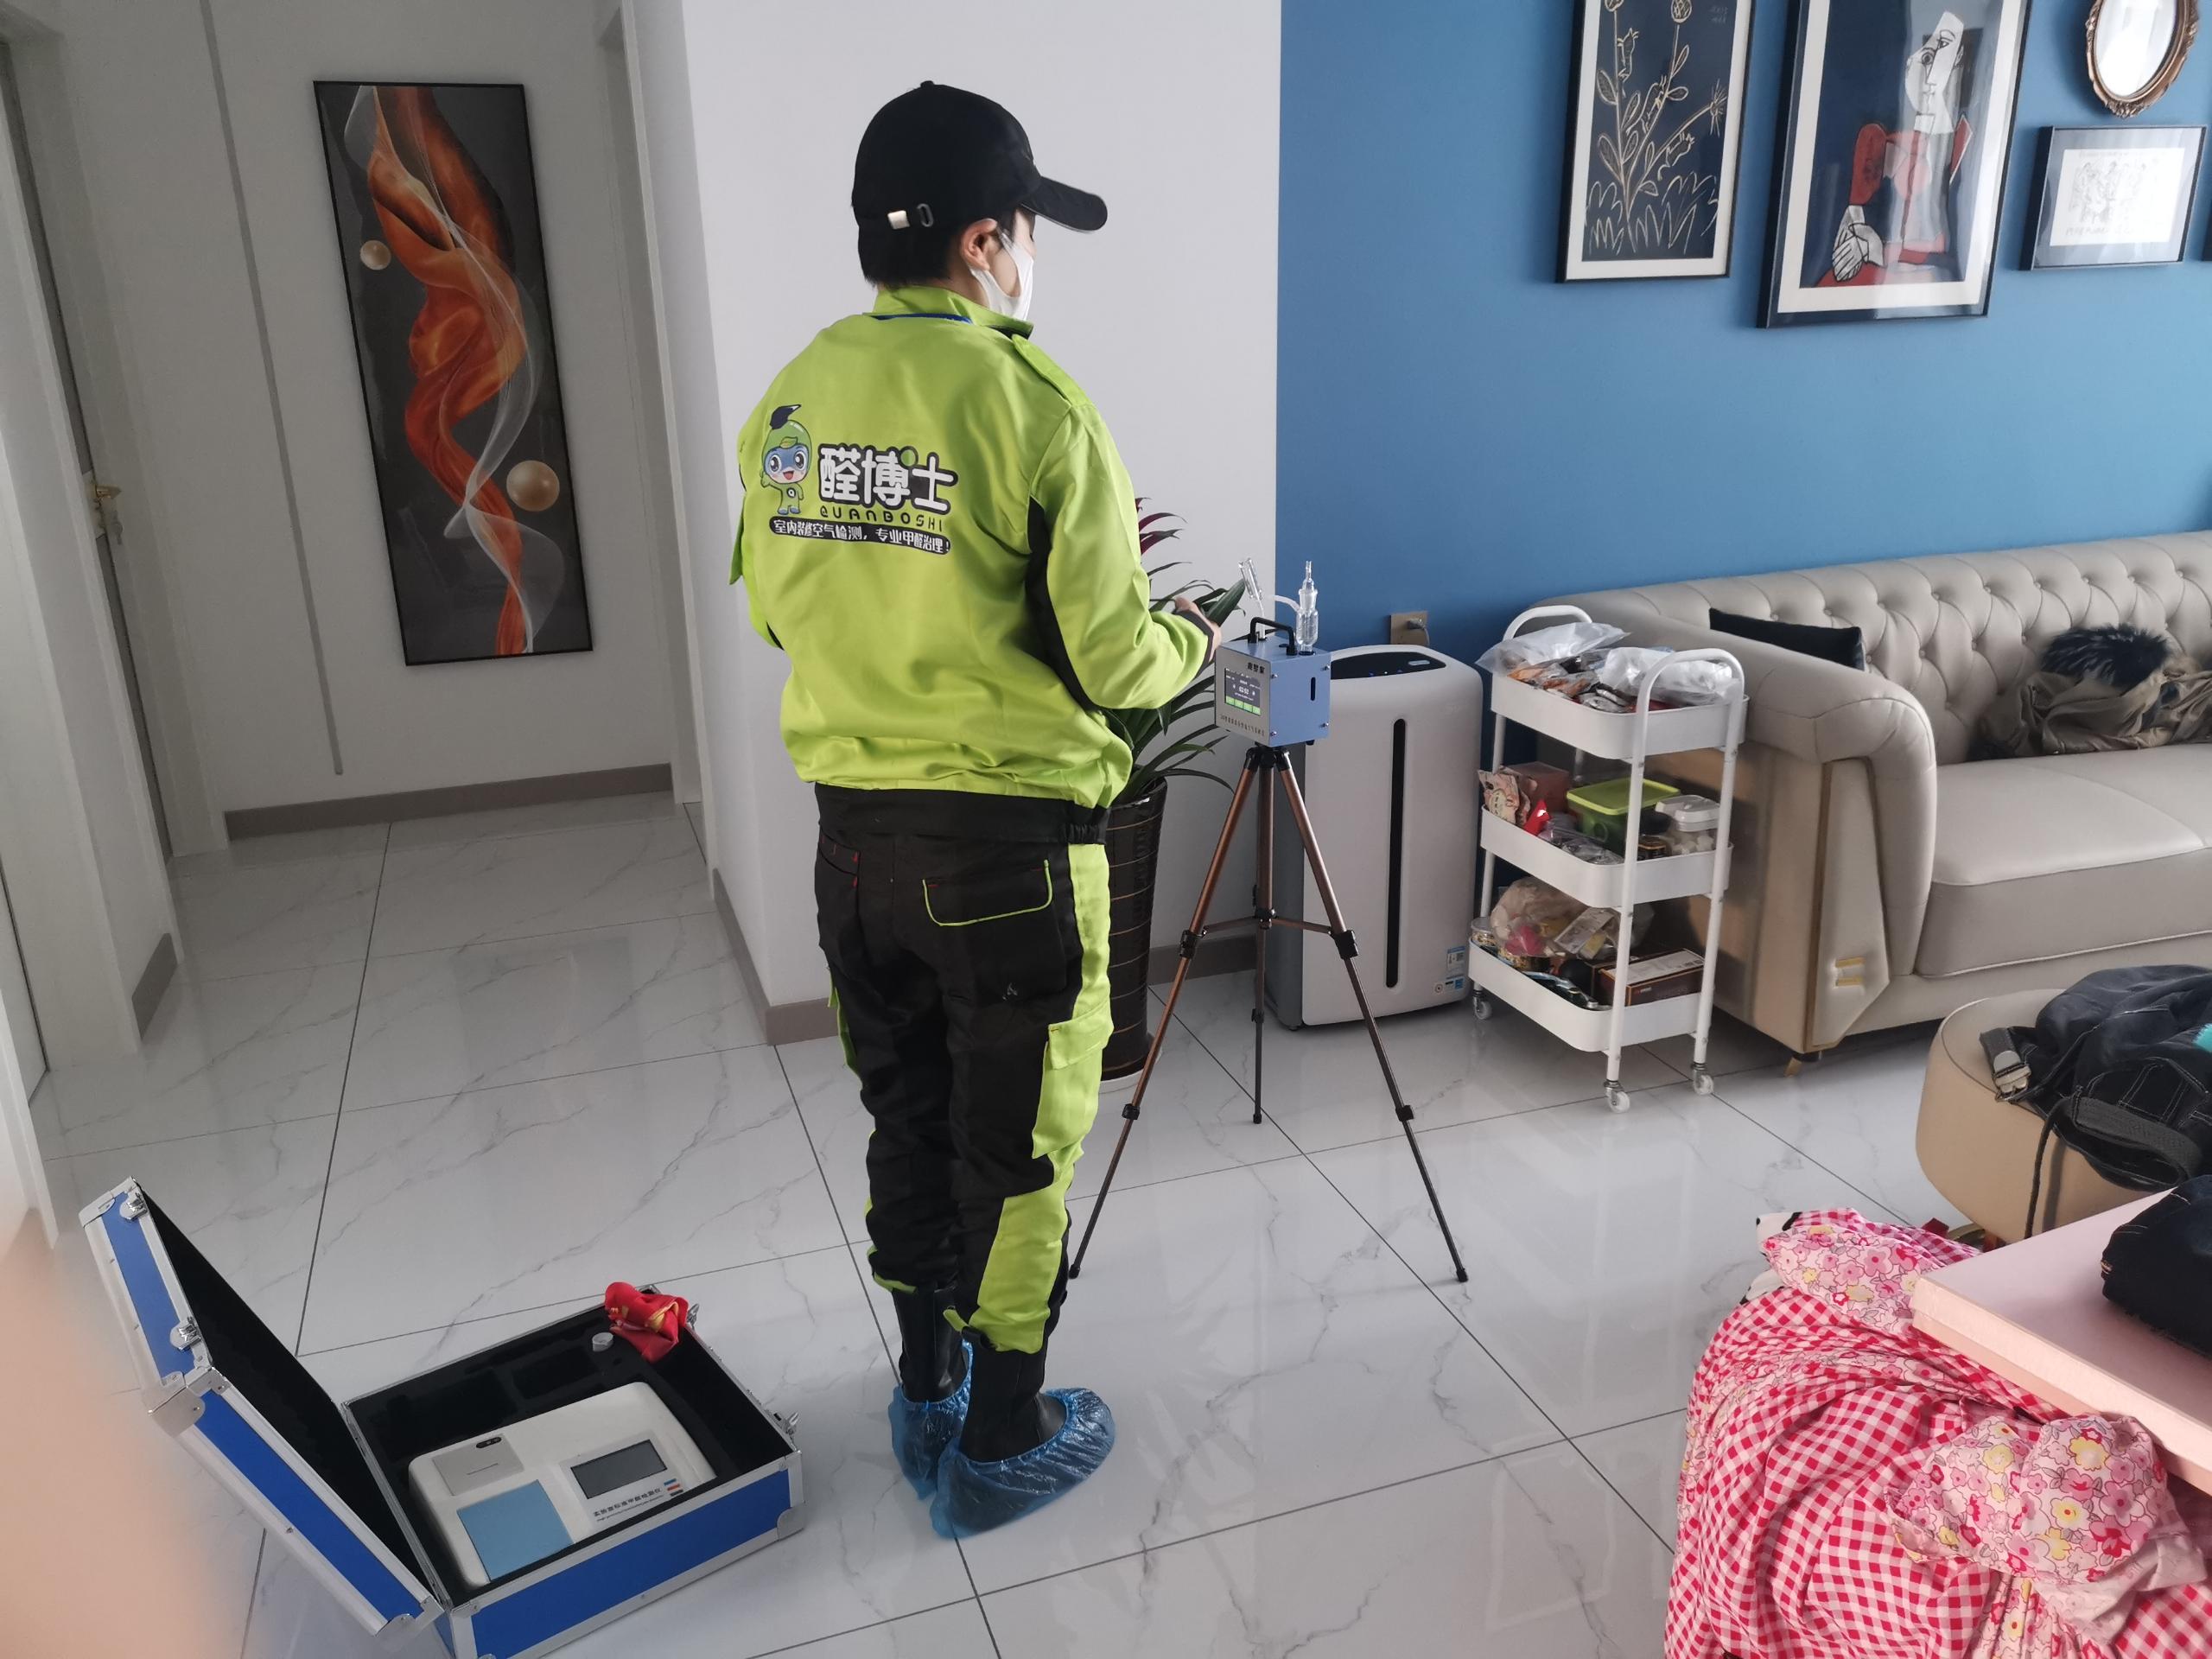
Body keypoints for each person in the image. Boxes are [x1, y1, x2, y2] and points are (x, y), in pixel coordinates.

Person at [731, 81, 1219, 1538]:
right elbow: (1119, 664)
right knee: (1018, 1148)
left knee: (908, 1112)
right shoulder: (1034, 404)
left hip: (854, 851)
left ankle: (925, 1383)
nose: (1027, 260)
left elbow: (774, 616)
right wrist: (1192, 637)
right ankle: (1003, 1437)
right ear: (986, 242)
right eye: (1024, 233)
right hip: (1009, 860)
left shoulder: (794, 399)